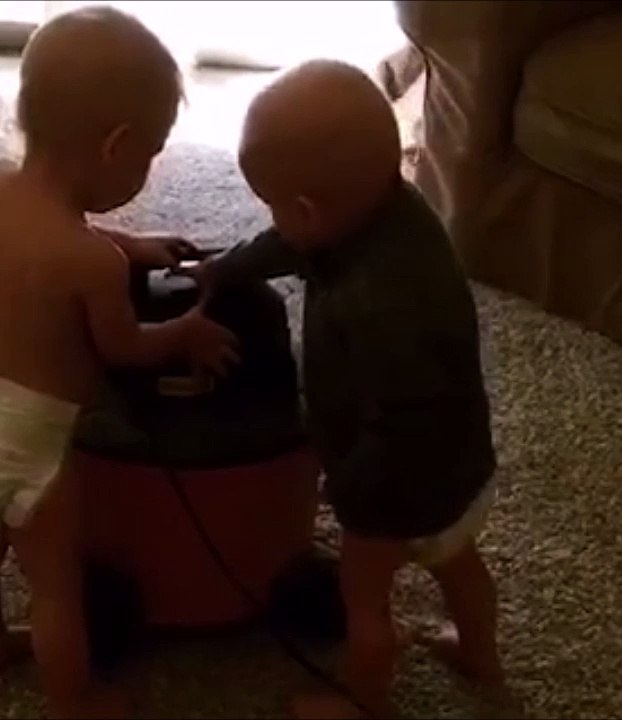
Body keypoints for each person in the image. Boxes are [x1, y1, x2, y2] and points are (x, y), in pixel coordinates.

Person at [0, 7, 238, 719]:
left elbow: (57, 237)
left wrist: (130, 243)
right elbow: (123, 346)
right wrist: (186, 332)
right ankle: (75, 699)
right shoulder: (91, 265)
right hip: (33, 447)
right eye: (150, 153)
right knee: (56, 586)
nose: (149, 167)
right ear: (116, 146)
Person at [190, 59, 507, 719]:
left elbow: (402, 424)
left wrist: (349, 487)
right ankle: (480, 651)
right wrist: (231, 266)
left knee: (365, 598)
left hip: (396, 487)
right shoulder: (388, 209)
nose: (275, 221)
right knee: (459, 564)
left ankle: (364, 700)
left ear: (307, 208)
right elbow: (294, 243)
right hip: (463, 466)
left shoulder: (379, 303)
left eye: (275, 206)